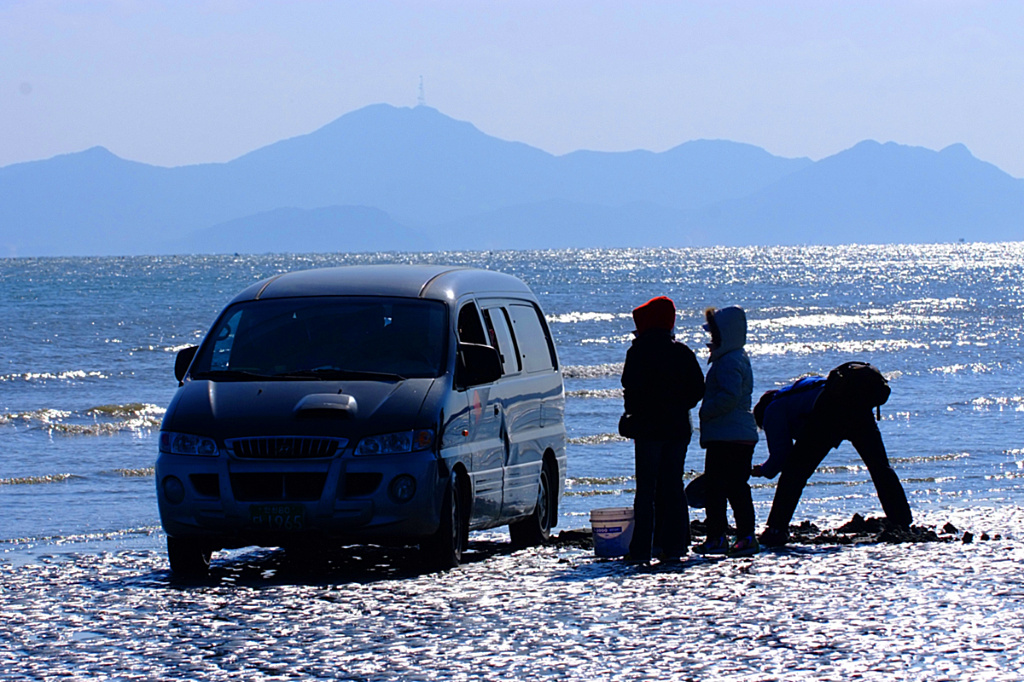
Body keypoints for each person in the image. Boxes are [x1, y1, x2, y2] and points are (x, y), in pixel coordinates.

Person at [752, 372, 913, 547]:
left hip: (828, 410)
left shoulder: (773, 409)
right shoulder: (800, 390)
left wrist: (760, 471)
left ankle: (776, 529)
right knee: (880, 467)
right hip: (858, 405)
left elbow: (781, 456)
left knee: (794, 474)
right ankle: (902, 522)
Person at [619, 296, 705, 563]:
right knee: (672, 485)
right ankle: (676, 545)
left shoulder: (638, 351)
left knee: (646, 489)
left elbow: (629, 386)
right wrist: (679, 406)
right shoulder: (682, 351)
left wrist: (637, 410)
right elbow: (697, 389)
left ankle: (642, 547)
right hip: (678, 427)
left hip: (648, 428)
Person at [693, 306, 760, 557]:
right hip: (736, 434)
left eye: (716, 334)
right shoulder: (736, 357)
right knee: (735, 488)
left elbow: (729, 396)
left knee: (719, 489)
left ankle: (722, 537)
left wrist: (706, 410)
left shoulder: (730, 361)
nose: (712, 339)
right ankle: (742, 536)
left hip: (727, 436)